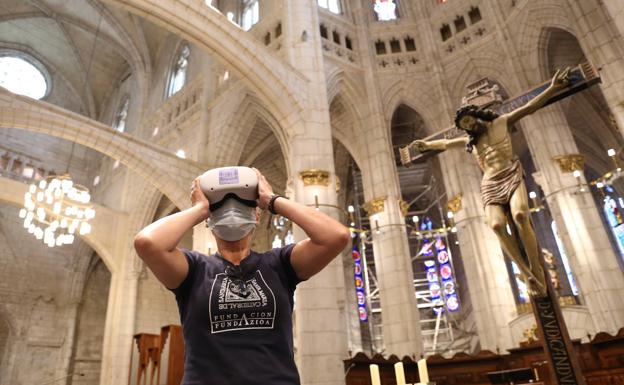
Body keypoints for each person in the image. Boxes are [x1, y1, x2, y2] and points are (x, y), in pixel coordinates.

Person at [133, 167, 350, 385]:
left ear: (256, 215)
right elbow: (147, 243)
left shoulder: (279, 264)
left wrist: (272, 200)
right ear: (209, 220)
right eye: (218, 208)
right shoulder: (194, 270)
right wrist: (200, 209)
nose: (231, 210)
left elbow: (335, 236)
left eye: (244, 204)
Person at [412, 68, 571, 296]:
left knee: (520, 216)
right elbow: (446, 145)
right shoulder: (472, 142)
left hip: (510, 173)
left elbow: (528, 108)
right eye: (465, 125)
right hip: (490, 183)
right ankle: (526, 273)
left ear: (477, 116)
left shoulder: (501, 122)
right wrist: (427, 146)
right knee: (496, 225)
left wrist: (553, 88)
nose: (469, 126)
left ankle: (537, 269)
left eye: (470, 120)